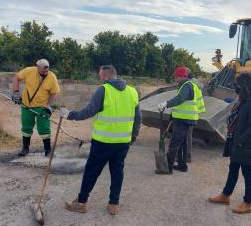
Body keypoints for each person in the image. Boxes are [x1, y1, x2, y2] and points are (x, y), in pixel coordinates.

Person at [63, 65, 141, 215]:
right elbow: (138, 118)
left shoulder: (103, 90)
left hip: (103, 142)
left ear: (106, 75)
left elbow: (89, 111)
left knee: (92, 171)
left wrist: (70, 115)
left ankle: (81, 202)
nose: (100, 79)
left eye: (100, 76)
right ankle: (114, 204)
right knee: (117, 171)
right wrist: (133, 136)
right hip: (123, 142)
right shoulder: (133, 92)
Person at [208, 72, 251, 214]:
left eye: (238, 86)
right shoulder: (246, 99)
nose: (236, 89)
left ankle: (247, 203)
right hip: (239, 142)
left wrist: (241, 141)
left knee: (248, 174)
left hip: (248, 144)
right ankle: (225, 195)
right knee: (233, 169)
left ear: (246, 86)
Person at [156, 66, 205, 174]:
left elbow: (179, 99)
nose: (175, 79)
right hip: (188, 118)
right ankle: (182, 165)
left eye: (177, 77)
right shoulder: (190, 85)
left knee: (175, 143)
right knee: (183, 143)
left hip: (183, 119)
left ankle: (167, 168)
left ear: (183, 76)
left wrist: (166, 104)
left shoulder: (186, 86)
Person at [11, 59, 61, 157]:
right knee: (26, 127)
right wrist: (16, 93)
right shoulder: (29, 71)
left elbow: (54, 93)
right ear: (37, 68)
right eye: (43, 71)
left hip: (42, 107)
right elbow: (16, 77)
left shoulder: (52, 77)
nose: (45, 73)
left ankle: (48, 150)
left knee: (44, 128)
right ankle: (25, 148)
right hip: (26, 105)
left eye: (47, 71)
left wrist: (49, 106)